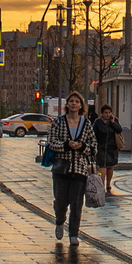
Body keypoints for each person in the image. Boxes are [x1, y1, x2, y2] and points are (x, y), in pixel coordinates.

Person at [47, 90, 99, 247]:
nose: (74, 104)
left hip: (80, 169)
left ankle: (74, 234)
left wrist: (82, 146)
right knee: (61, 201)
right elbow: (51, 142)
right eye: (71, 101)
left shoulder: (86, 124)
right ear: (67, 105)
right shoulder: (58, 122)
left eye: (77, 102)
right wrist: (65, 145)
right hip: (61, 168)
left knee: (76, 203)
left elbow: (93, 146)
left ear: (81, 105)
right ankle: (60, 220)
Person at [93, 103, 123, 203]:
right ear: (102, 114)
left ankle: (108, 183)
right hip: (101, 148)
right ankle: (102, 183)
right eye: (106, 113)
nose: (108, 114)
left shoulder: (114, 121)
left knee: (110, 166)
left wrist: (113, 122)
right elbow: (93, 133)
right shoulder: (98, 122)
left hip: (112, 148)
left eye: (109, 112)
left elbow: (119, 130)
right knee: (102, 167)